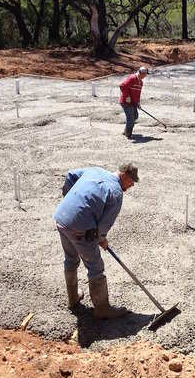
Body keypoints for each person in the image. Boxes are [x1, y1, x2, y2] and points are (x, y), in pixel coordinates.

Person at [54, 163, 139, 319]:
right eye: (132, 180)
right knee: (95, 266)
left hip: (61, 217)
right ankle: (102, 309)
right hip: (79, 228)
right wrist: (101, 239)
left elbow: (71, 175)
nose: (133, 184)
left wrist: (70, 201)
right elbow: (103, 226)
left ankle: (73, 299)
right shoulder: (116, 193)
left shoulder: (96, 170)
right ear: (124, 175)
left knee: (71, 258)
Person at [119, 67, 149, 139]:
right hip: (126, 102)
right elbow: (122, 86)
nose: (145, 76)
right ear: (140, 72)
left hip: (133, 103)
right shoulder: (132, 78)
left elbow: (138, 94)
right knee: (131, 118)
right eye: (144, 74)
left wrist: (138, 103)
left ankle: (126, 130)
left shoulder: (141, 82)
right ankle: (128, 134)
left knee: (135, 116)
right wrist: (127, 96)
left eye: (146, 74)